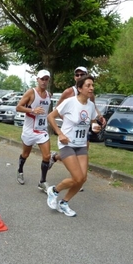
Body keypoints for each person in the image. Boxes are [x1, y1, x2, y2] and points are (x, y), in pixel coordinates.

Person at [46, 74, 101, 217]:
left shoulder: (90, 105)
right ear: (80, 88)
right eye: (88, 86)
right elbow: (50, 117)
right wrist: (60, 133)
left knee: (83, 179)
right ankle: (54, 191)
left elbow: (92, 121)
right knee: (77, 177)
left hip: (81, 144)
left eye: (92, 85)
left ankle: (64, 202)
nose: (91, 88)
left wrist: (95, 126)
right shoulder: (70, 102)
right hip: (67, 144)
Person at [51, 66, 106, 192]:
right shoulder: (68, 93)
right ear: (75, 78)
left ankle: (76, 178)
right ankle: (73, 179)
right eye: (77, 75)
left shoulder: (90, 95)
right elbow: (57, 110)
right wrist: (69, 120)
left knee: (81, 162)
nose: (79, 76)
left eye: (82, 74)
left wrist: (97, 118)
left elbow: (91, 109)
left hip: (82, 133)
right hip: (68, 136)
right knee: (75, 168)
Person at [15, 69, 57, 193]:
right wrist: (32, 110)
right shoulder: (31, 93)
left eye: (46, 79)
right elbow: (18, 107)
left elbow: (48, 111)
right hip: (29, 130)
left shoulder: (49, 95)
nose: (44, 82)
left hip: (42, 130)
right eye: (42, 79)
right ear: (37, 79)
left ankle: (42, 182)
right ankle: (20, 170)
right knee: (25, 154)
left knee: (47, 156)